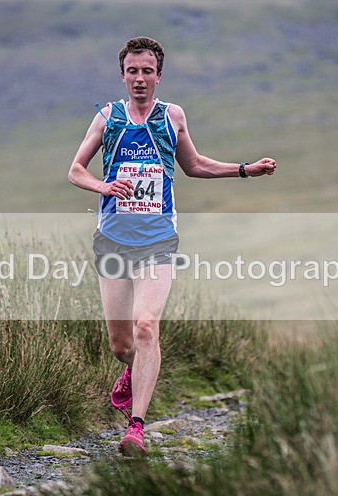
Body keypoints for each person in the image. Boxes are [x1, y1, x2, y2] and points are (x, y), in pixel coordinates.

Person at [68, 36, 276, 456]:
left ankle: (137, 429)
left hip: (159, 240)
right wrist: (103, 185)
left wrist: (244, 170)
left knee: (147, 326)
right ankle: (132, 373)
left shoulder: (172, 117)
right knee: (121, 345)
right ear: (122, 75)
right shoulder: (107, 118)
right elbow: (75, 170)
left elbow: (194, 165)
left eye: (147, 71)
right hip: (112, 241)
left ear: (159, 76)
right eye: (132, 71)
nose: (140, 78)